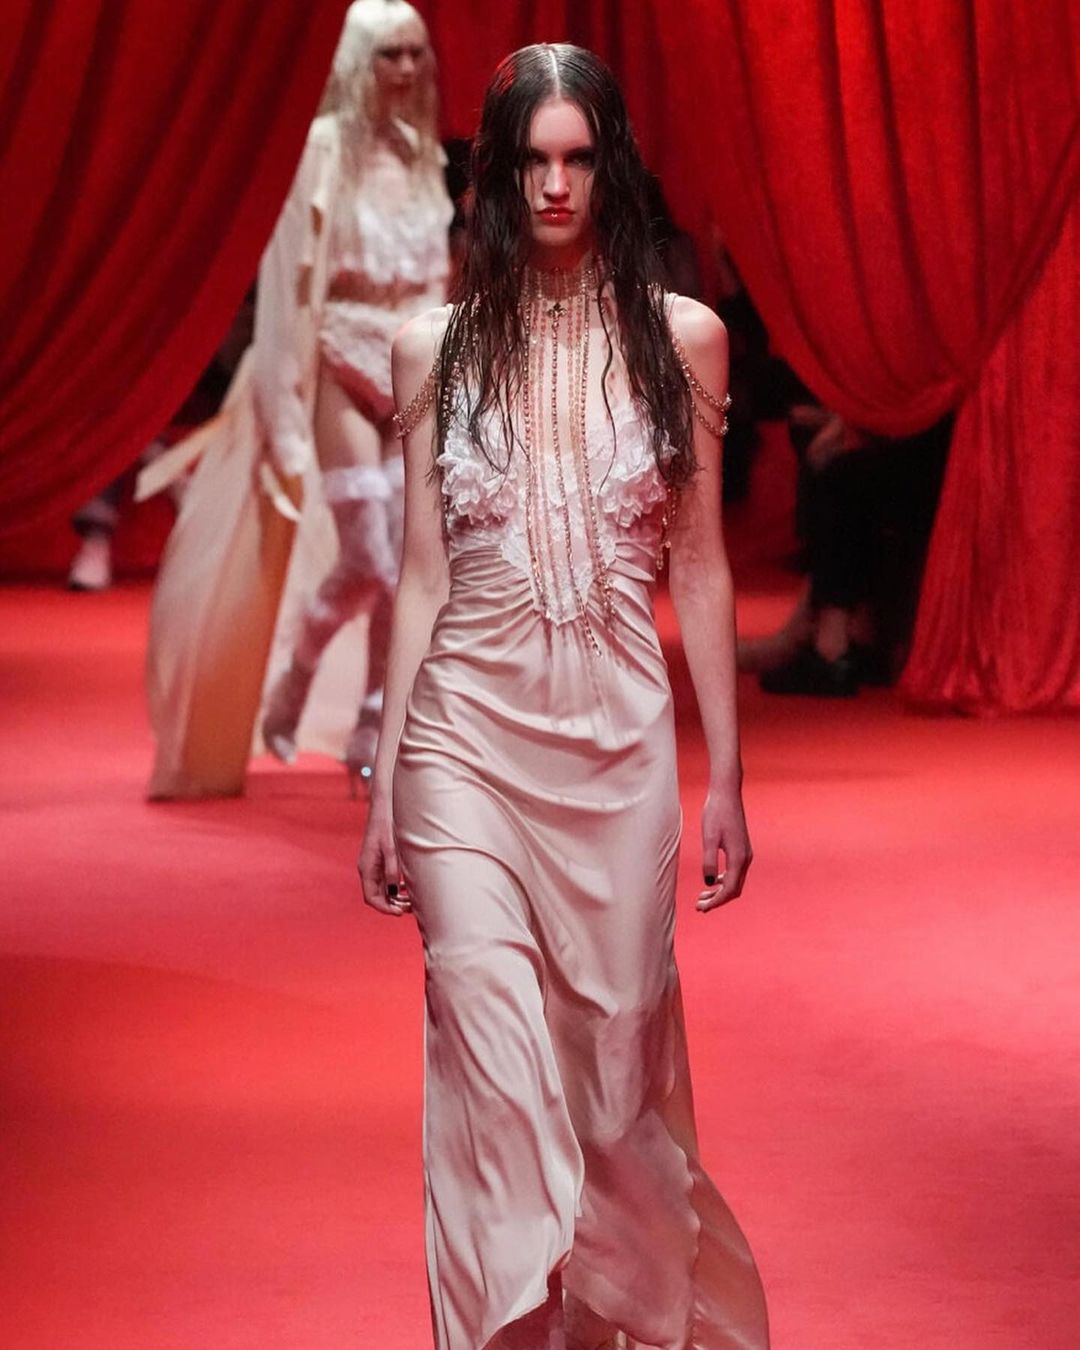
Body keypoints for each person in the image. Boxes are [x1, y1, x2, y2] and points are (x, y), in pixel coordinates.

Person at [358, 43, 769, 1350]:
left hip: (618, 747)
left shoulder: (681, 341)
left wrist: (727, 777)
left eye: (578, 158)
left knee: (614, 1084)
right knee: (489, 1046)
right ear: (494, 173)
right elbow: (422, 576)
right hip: (463, 745)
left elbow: (700, 565)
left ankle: (615, 1319)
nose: (555, 185)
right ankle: (501, 1328)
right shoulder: (434, 349)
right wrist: (385, 778)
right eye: (532, 160)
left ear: (611, 168)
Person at [143, 0, 452, 797]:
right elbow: (286, 286)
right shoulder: (319, 151)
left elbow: (434, 282)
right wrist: (282, 413)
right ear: (358, 61)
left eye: (415, 53)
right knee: (372, 557)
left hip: (410, 367)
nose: (406, 69)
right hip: (340, 359)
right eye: (390, 54)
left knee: (407, 559)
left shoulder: (422, 153)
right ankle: (298, 672)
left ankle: (375, 725)